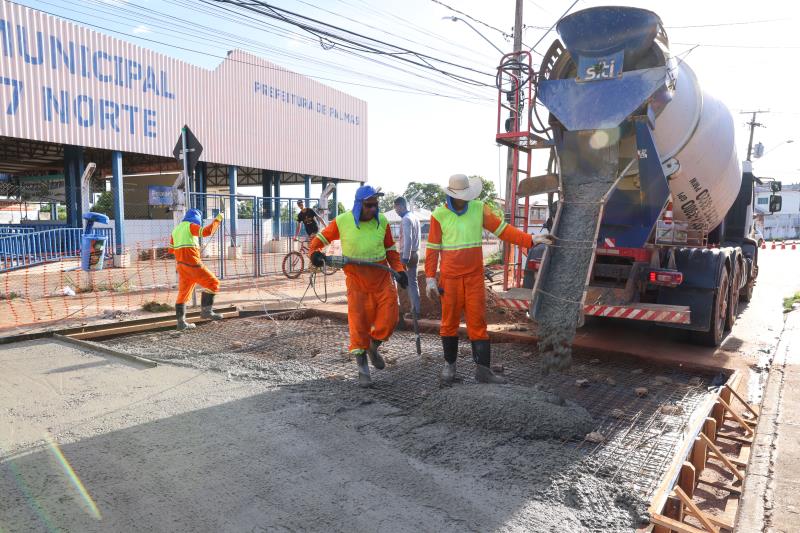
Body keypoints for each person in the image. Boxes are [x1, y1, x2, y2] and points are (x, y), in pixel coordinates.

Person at [425, 174, 554, 384]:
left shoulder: (478, 209)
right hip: (450, 280)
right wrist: (430, 277)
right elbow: (432, 248)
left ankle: (483, 371)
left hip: (474, 278)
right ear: (452, 195)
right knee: (449, 323)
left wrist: (531, 239)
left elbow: (502, 230)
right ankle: (450, 367)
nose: (465, 199)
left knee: (478, 323)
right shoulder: (439, 215)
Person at [309, 185, 408, 388]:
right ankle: (363, 369)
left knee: (390, 318)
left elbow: (390, 250)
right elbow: (318, 241)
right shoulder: (343, 221)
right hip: (356, 280)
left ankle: (373, 345)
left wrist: (400, 270)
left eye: (375, 205)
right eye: (369, 205)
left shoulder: (382, 221)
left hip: (381, 279)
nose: (373, 209)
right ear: (358, 205)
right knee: (359, 325)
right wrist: (315, 254)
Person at [168, 208, 225, 331]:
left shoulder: (175, 230)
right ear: (196, 219)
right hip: (193, 264)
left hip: (181, 266)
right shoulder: (190, 226)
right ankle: (206, 311)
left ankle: (181, 323)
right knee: (213, 283)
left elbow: (171, 250)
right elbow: (206, 232)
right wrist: (218, 219)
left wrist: (183, 248)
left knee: (183, 294)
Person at [394, 196, 421, 317]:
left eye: (396, 208)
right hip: (416, 253)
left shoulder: (406, 219)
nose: (396, 211)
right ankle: (416, 311)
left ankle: (397, 309)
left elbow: (408, 239)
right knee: (413, 283)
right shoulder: (414, 217)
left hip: (407, 254)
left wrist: (405, 258)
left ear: (401, 206)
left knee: (394, 279)